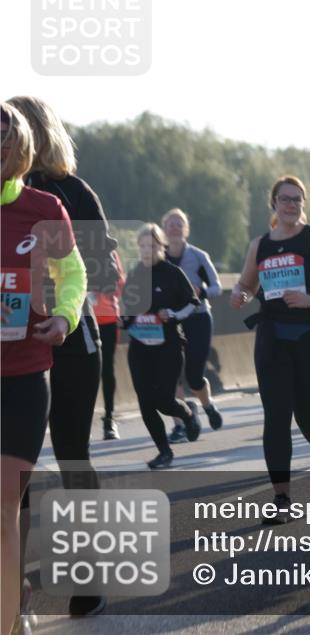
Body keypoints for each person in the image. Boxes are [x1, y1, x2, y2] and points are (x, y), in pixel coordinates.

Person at [10, 94, 119, 618]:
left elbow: (104, 273)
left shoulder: (69, 193)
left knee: (72, 454)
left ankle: (88, 574)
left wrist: (52, 302)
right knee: (16, 469)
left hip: (69, 342)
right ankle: (15, 586)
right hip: (13, 351)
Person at [1, 102, 87, 635]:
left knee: (5, 506)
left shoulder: (44, 207)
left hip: (24, 377)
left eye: (3, 139)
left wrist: (63, 316)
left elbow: (73, 273)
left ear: (18, 149)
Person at [230, 176, 310, 521]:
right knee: (276, 417)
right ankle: (281, 499)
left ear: (303, 205)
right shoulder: (259, 245)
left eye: (297, 200)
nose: (291, 205)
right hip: (272, 335)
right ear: (274, 204)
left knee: (308, 416)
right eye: (285, 199)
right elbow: (246, 284)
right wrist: (241, 295)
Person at [121, 224, 203, 469]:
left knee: (164, 400)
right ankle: (164, 451)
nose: (148, 250)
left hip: (168, 346)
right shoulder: (135, 273)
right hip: (140, 347)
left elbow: (192, 303)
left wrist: (174, 314)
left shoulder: (172, 273)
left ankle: (187, 414)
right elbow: (127, 309)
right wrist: (124, 319)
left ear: (161, 246)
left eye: (153, 245)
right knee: (146, 402)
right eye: (143, 246)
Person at [161, 208, 224, 442]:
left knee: (194, 375)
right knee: (172, 374)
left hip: (198, 318)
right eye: (170, 224)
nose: (175, 228)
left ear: (186, 230)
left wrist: (203, 291)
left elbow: (218, 287)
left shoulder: (198, 256)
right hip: (171, 321)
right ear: (164, 230)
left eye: (179, 224)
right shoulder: (159, 258)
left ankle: (207, 406)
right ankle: (180, 423)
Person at [91, 250, 126, 439]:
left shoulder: (109, 250)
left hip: (107, 318)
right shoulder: (70, 244)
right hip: (79, 319)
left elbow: (120, 283)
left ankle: (109, 419)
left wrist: (103, 287)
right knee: (81, 371)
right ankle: (80, 419)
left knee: (107, 370)